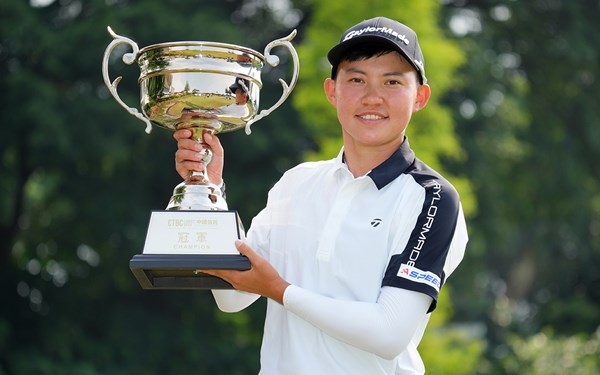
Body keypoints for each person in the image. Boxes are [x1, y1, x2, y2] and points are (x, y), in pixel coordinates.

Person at [173, 16, 467, 375]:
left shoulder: (432, 198)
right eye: (356, 79)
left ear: (419, 96)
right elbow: (233, 297)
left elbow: (389, 332)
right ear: (333, 91)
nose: (372, 97)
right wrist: (210, 192)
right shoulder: (296, 183)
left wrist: (279, 290)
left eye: (392, 81)